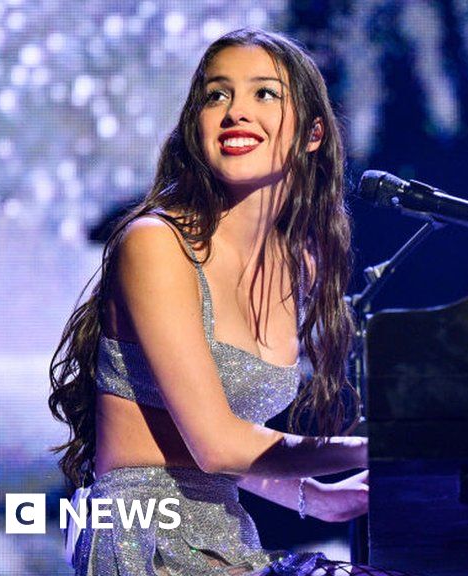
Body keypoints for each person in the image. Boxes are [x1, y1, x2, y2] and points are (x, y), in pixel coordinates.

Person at [49, 28, 407, 576]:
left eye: (264, 93)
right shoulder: (156, 245)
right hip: (148, 542)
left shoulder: (298, 266)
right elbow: (217, 444)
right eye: (217, 95)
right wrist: (373, 447)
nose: (236, 111)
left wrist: (313, 496)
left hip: (226, 537)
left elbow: (196, 440)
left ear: (313, 134)